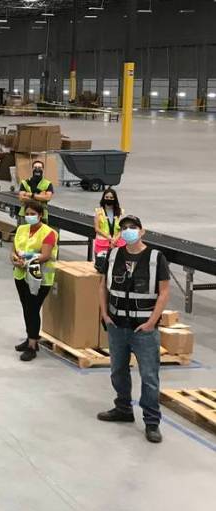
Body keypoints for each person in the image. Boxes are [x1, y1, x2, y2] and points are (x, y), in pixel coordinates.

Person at [97, 215, 170, 443]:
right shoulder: (114, 254)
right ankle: (123, 408)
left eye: (132, 227)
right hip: (117, 325)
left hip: (144, 330)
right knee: (118, 370)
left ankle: (151, 422)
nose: (128, 231)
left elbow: (164, 292)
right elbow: (103, 286)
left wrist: (151, 323)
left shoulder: (155, 258)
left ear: (142, 231)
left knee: (149, 376)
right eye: (124, 228)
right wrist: (104, 313)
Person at [10, 199, 58, 361]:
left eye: (33, 214)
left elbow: (45, 255)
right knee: (26, 307)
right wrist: (15, 259)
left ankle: (32, 345)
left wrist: (26, 261)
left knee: (32, 308)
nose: (29, 217)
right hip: (21, 275)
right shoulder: (21, 229)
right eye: (27, 214)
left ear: (40, 215)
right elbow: (14, 249)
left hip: (40, 278)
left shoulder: (49, 233)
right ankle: (30, 337)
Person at [93, 188, 124, 269]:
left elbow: (122, 228)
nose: (109, 199)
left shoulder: (120, 212)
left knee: (117, 268)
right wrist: (109, 237)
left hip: (117, 243)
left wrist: (115, 240)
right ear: (103, 198)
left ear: (115, 199)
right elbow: (97, 228)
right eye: (107, 197)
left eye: (111, 198)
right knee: (101, 267)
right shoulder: (98, 212)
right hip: (102, 244)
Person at [17, 158, 53, 223]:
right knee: (24, 232)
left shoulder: (48, 183)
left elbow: (47, 197)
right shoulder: (25, 182)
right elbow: (21, 198)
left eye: (39, 167)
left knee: (41, 233)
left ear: (43, 169)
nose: (37, 169)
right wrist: (40, 198)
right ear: (32, 169)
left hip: (42, 215)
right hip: (25, 214)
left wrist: (31, 195)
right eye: (35, 167)